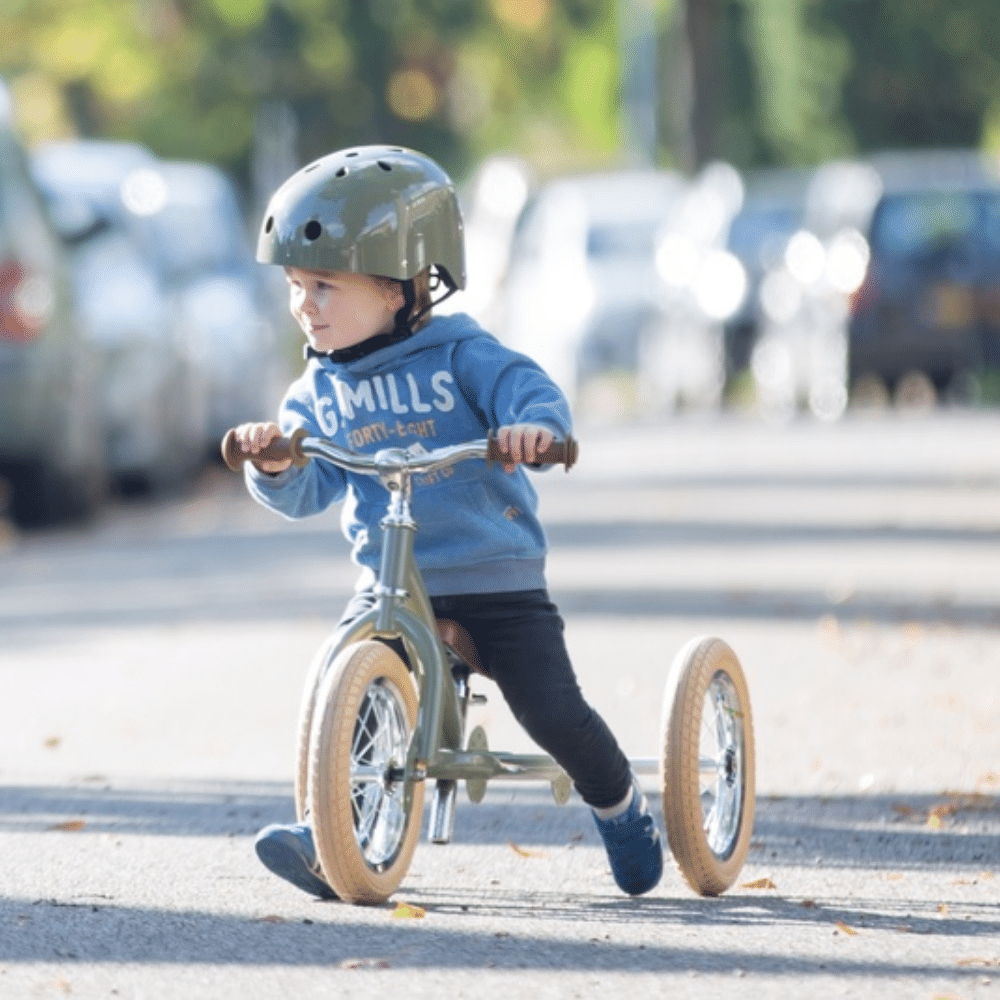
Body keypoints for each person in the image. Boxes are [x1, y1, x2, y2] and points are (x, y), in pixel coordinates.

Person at [231, 145, 663, 899]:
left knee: (552, 712)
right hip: (391, 582)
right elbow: (312, 487)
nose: (307, 305)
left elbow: (529, 393)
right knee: (351, 684)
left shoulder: (462, 353)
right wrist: (275, 464)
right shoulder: (319, 387)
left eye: (326, 285)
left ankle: (621, 807)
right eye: (298, 287)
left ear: (401, 286)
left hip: (492, 575)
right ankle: (335, 836)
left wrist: (529, 429)